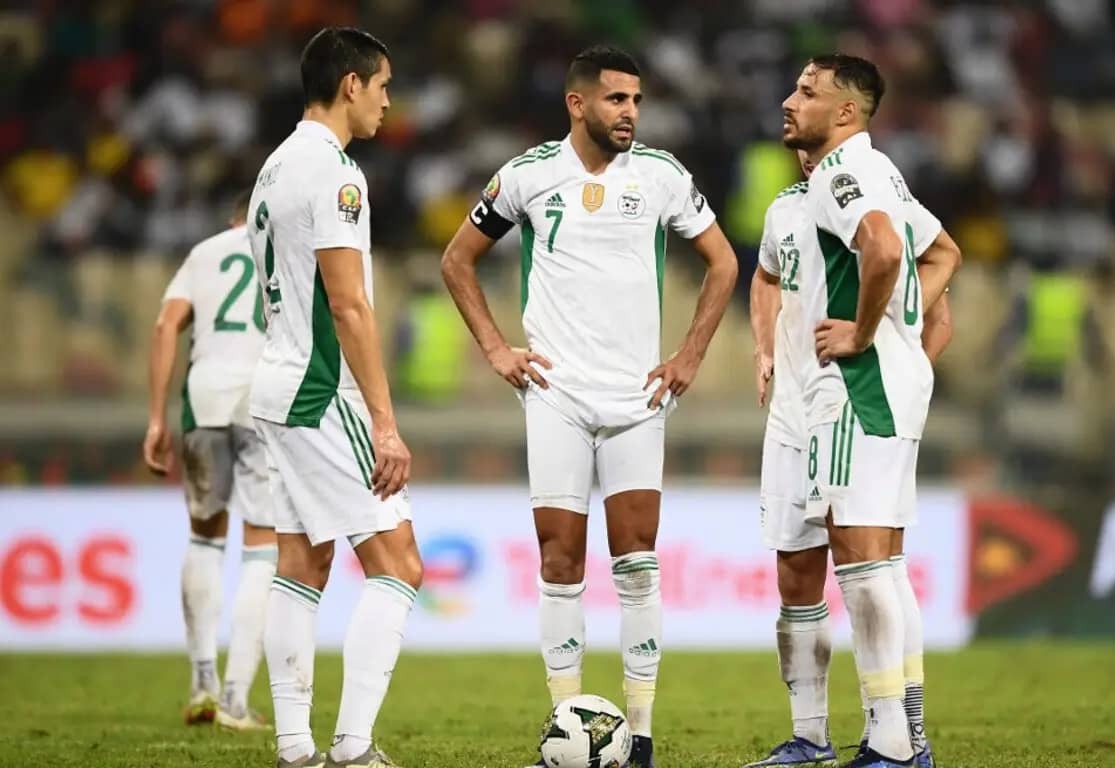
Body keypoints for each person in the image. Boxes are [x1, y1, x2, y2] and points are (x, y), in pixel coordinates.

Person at [440, 44, 738, 768]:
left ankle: (639, 735)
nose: (631, 111)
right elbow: (457, 259)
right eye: (617, 99)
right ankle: (567, 726)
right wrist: (496, 349)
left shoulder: (662, 177)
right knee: (559, 560)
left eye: (637, 100)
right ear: (578, 104)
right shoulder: (529, 175)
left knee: (637, 564)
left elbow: (725, 263)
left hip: (638, 398)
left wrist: (691, 354)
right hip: (557, 395)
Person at [754, 54, 960, 768]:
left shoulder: (843, 177)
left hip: (858, 384)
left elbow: (880, 251)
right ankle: (904, 738)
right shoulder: (881, 172)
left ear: (845, 113)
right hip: (886, 383)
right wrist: (907, 332)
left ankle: (893, 747)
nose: (789, 101)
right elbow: (944, 254)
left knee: (863, 564)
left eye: (806, 93)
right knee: (885, 565)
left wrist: (867, 331)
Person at [247, 26, 423, 768]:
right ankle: (352, 748)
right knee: (399, 565)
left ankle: (294, 748)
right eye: (381, 85)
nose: (387, 100)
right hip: (322, 391)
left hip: (275, 384)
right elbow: (349, 305)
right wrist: (384, 423)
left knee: (302, 562)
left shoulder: (275, 166)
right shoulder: (336, 173)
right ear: (350, 84)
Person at [143, 190, 275, 732]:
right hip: (265, 398)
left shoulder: (204, 253)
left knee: (204, 536)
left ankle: (202, 683)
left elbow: (165, 327)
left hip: (205, 396)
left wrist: (156, 418)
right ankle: (237, 701)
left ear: (232, 218)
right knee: (264, 545)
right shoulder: (286, 248)